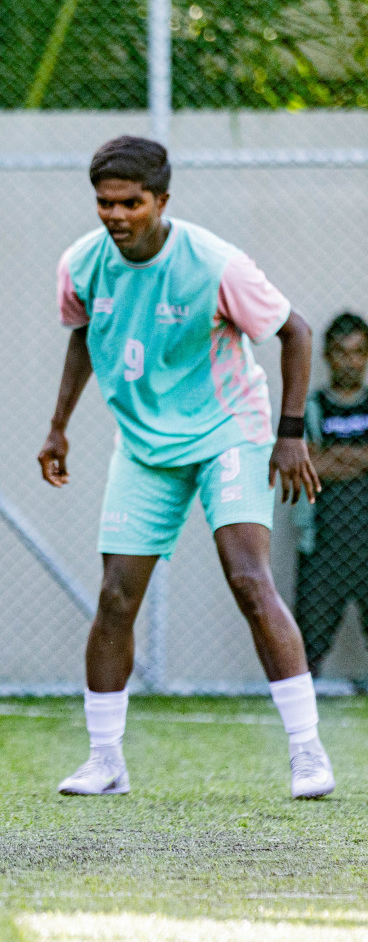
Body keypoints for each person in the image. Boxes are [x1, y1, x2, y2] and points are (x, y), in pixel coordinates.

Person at [39, 135, 331, 800]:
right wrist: (58, 426)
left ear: (161, 201)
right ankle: (105, 759)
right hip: (144, 444)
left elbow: (296, 331)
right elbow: (83, 335)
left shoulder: (215, 263)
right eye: (105, 203)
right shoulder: (81, 264)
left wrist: (290, 435)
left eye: (131, 203)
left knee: (249, 580)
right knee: (115, 596)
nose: (115, 215)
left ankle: (308, 752)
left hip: (229, 431)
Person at [294, 312, 368, 677]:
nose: (350, 362)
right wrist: (361, 458)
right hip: (323, 547)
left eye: (358, 352)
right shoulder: (309, 407)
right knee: (306, 653)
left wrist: (330, 456)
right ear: (327, 355)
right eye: (341, 352)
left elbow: (320, 460)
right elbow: (303, 463)